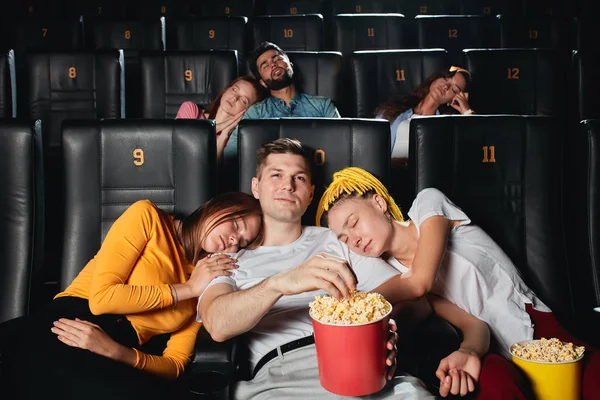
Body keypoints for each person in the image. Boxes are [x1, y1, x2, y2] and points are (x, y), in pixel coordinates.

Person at [198, 138, 491, 399]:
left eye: (298, 178)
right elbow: (218, 325)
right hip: (282, 375)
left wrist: (382, 333)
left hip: (360, 364)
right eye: (276, 175)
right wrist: (281, 283)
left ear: (311, 194)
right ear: (255, 187)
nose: (288, 185)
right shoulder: (228, 260)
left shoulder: (340, 241)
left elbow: (416, 301)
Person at [317, 167, 600, 399]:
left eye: (353, 223)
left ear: (379, 203)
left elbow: (420, 283)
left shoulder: (428, 205)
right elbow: (474, 325)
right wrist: (468, 351)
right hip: (492, 349)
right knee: (495, 387)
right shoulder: (393, 274)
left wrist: (356, 306)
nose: (353, 239)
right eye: (343, 238)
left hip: (538, 327)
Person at [0, 192, 263, 400]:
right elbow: (102, 299)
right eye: (236, 224)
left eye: (242, 241)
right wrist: (189, 289)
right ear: (216, 207)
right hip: (71, 323)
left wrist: (117, 352)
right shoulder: (148, 216)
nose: (233, 241)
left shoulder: (209, 278)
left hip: (120, 351)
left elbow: (175, 364)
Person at [222, 42, 341, 165]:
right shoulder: (255, 113)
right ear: (262, 82)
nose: (273, 64)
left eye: (277, 59)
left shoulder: (323, 106)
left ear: (291, 65)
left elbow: (341, 146)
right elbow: (229, 156)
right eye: (265, 65)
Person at [375, 66, 474, 160]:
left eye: (454, 89)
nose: (446, 86)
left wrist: (467, 112)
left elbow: (472, 148)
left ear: (453, 99)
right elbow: (372, 142)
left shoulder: (444, 126)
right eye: (446, 78)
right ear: (435, 79)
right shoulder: (395, 107)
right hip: (380, 173)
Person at [175, 75, 267, 163]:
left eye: (243, 100)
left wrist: (224, 135)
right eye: (234, 89)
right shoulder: (191, 110)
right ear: (226, 89)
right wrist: (216, 128)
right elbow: (179, 146)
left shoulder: (232, 141)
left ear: (247, 111)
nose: (235, 97)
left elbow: (212, 172)